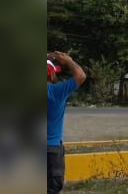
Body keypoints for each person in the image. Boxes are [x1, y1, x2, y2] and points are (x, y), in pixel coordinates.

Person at [47, 51, 86, 194]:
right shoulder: (57, 92)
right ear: (51, 75)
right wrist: (69, 61)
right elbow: (81, 76)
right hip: (52, 151)